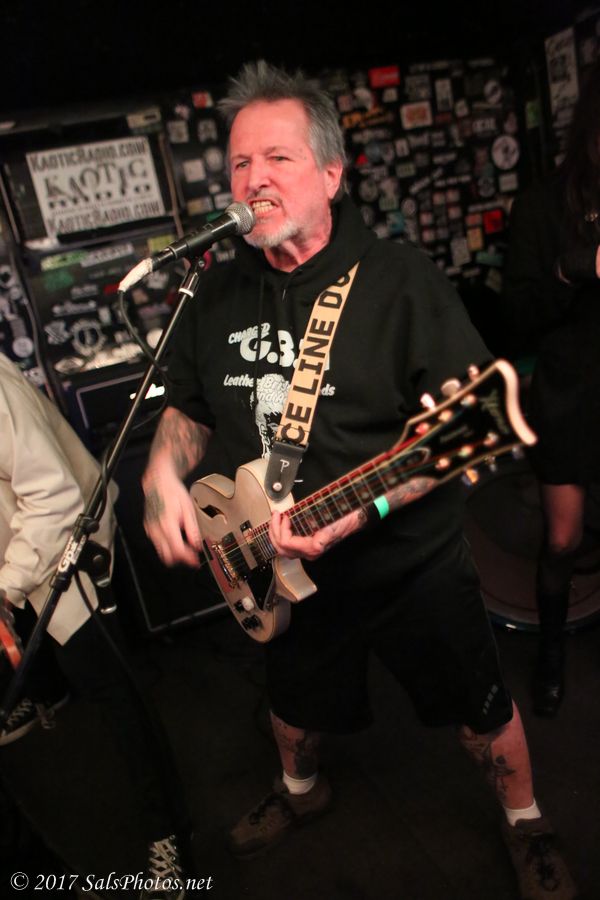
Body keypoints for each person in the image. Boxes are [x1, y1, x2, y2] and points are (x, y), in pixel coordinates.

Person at [142, 60, 576, 899]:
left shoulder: (399, 281)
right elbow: (187, 407)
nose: (253, 179)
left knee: (479, 708)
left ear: (332, 175)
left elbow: (458, 433)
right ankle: (300, 790)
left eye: (278, 158)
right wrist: (163, 472)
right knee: (291, 704)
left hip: (408, 562)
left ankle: (527, 821)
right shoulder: (215, 290)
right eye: (240, 163)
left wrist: (364, 507)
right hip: (270, 559)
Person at [0, 351, 191, 900]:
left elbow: (54, 497)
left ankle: (169, 836)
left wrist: (6, 588)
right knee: (45, 654)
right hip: (20, 552)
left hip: (66, 548)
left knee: (115, 696)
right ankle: (45, 692)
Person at [503, 57, 600, 718]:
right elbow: (516, 315)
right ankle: (552, 653)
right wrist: (574, 270)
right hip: (568, 394)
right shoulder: (542, 205)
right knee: (563, 541)